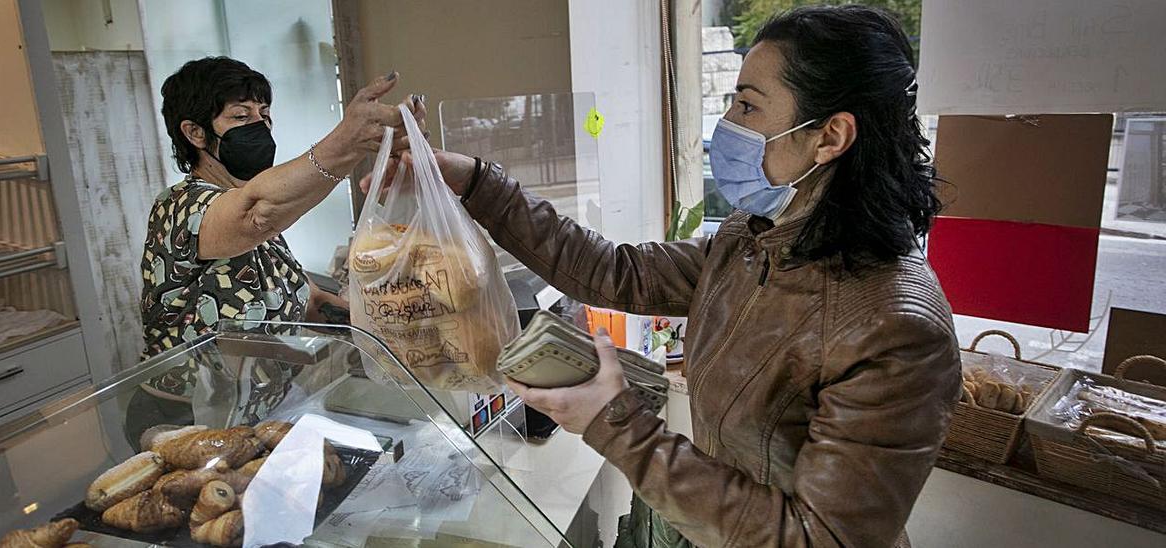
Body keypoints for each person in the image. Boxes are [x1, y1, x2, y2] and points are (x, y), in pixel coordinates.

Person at [375, 5, 960, 547]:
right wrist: (475, 181)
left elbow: (819, 538)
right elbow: (615, 271)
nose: (727, 125)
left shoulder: (895, 329)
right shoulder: (752, 241)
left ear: (829, 136)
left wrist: (615, 423)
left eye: (748, 107)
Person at [126, 57, 424, 447]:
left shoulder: (249, 212)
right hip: (187, 424)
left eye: (264, 113)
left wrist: (390, 326)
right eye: (241, 115)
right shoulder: (181, 207)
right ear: (195, 132)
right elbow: (258, 214)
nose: (261, 124)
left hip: (259, 417)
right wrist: (348, 144)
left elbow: (306, 298)